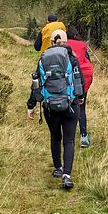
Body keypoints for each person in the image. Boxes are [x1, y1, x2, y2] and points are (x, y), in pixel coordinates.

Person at [27, 29, 85, 190]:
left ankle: (58, 168)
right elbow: (79, 78)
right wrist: (80, 97)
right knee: (69, 140)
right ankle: (67, 175)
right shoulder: (71, 57)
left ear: (51, 42)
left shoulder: (44, 58)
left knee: (55, 136)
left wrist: (31, 105)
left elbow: (36, 83)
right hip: (70, 103)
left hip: (50, 105)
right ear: (66, 41)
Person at [65, 27, 93, 148]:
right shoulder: (82, 45)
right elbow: (87, 59)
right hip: (83, 77)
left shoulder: (63, 45)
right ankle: (84, 136)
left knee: (67, 106)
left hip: (68, 77)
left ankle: (67, 137)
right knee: (81, 107)